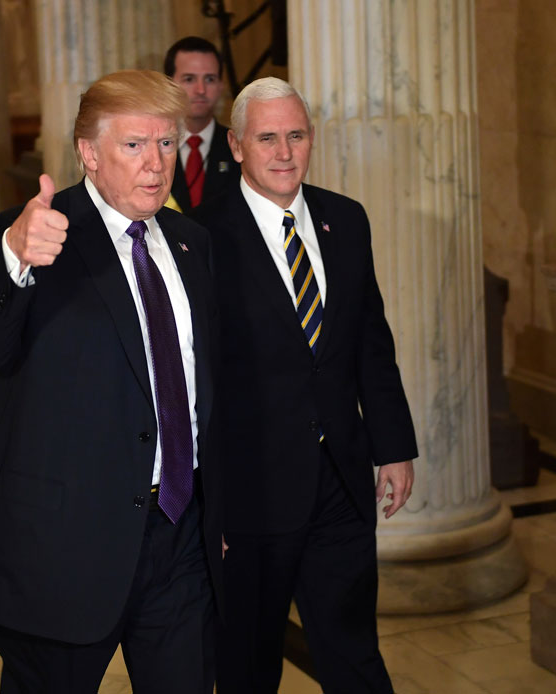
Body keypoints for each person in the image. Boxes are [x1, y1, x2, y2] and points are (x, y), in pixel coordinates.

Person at [0, 69, 222, 693]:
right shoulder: (39, 232)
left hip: (176, 539)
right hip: (62, 551)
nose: (155, 164)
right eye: (133, 145)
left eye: (165, 144)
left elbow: (207, 390)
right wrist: (13, 258)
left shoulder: (189, 243)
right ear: (88, 154)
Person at [192, 77, 418, 694]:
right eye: (267, 138)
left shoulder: (346, 219)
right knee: (248, 667)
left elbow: (371, 341)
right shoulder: (201, 237)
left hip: (340, 483)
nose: (284, 152)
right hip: (251, 494)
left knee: (354, 656)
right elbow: (196, 381)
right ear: (236, 146)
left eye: (296, 135)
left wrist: (393, 444)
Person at [163, 36, 238, 213]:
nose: (201, 90)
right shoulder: (151, 148)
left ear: (221, 85)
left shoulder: (239, 147)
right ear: (169, 84)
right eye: (189, 79)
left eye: (210, 79)